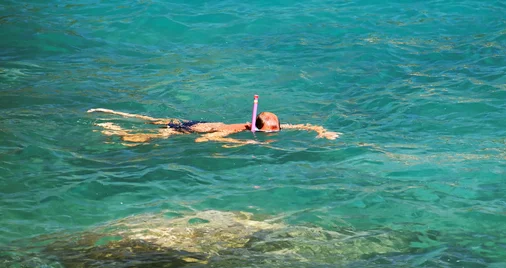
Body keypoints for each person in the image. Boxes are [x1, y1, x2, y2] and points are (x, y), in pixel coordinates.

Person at [87, 108, 340, 145]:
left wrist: (321, 131)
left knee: (156, 119)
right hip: (194, 129)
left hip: (203, 124)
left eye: (276, 131)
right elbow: (203, 140)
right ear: (255, 126)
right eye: (267, 132)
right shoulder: (238, 130)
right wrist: (229, 143)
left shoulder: (272, 127)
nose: (272, 135)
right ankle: (112, 126)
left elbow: (306, 125)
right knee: (155, 134)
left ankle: (113, 115)